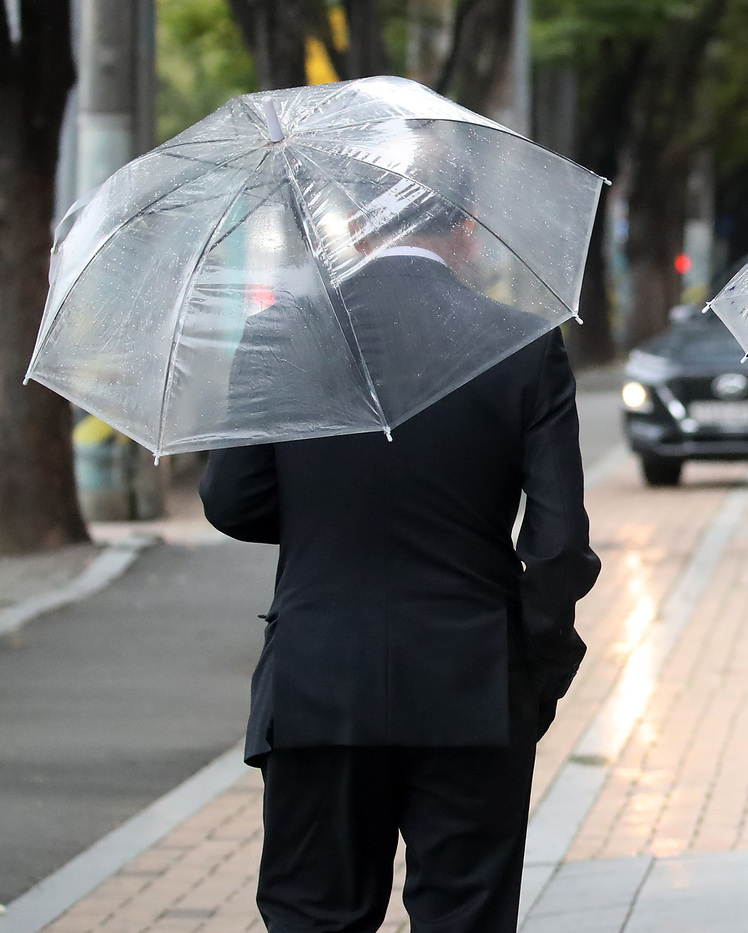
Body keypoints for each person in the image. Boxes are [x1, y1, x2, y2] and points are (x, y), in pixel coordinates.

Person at [200, 196, 600, 933]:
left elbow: (232, 501)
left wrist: (327, 519)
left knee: (314, 915)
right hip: (472, 679)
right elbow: (557, 542)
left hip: (318, 678)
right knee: (464, 916)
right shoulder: (521, 343)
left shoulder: (279, 335)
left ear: (354, 226)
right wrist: (534, 668)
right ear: (467, 227)